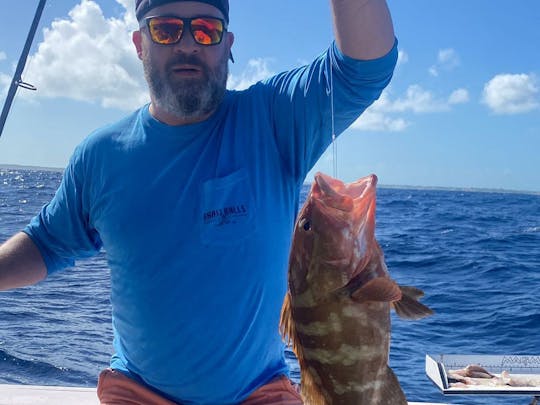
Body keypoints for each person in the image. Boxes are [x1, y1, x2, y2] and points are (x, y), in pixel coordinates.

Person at [0, 0, 397, 403]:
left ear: (228, 44)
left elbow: (362, 68)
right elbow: (47, 242)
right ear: (140, 43)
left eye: (206, 30)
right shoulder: (101, 156)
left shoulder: (273, 120)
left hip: (258, 394)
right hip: (138, 393)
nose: (188, 43)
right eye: (166, 29)